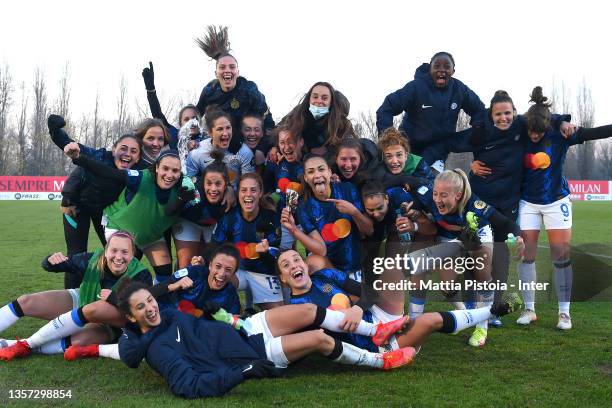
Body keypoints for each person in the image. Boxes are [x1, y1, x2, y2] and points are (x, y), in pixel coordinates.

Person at [113, 279, 414, 398]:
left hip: (247, 328)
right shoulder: (157, 350)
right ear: (131, 317)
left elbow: (199, 336)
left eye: (150, 301)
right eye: (141, 307)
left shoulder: (168, 314)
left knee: (308, 309)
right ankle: (380, 361)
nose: (150, 308)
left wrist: (213, 316)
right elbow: (188, 386)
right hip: (255, 354)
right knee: (320, 338)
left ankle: (377, 332)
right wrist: (242, 372)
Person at [277, 249, 522, 355]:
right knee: (432, 319)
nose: (294, 266)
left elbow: (369, 291)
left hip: (381, 316)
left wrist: (356, 308)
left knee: (393, 266)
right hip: (376, 344)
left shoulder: (325, 276)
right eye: (286, 265)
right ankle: (492, 311)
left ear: (305, 265)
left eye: (296, 259)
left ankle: (452, 249)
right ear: (283, 280)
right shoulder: (296, 311)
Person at [515, 86, 612, 330]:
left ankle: (564, 314)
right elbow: (502, 118)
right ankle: (529, 310)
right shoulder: (520, 129)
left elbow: (592, 133)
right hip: (527, 203)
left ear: (547, 127)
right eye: (531, 132)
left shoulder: (560, 135)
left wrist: (561, 121)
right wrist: (560, 118)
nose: (534, 136)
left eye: (539, 132)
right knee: (527, 256)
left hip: (557, 201)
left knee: (561, 256)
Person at [406, 169, 525, 347]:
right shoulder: (428, 195)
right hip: (449, 236)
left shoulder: (475, 204)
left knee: (482, 273)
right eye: (435, 193)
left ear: (458, 195)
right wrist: (414, 207)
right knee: (446, 286)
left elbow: (503, 222)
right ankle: (465, 316)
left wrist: (519, 236)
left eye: (444, 195)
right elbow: (411, 184)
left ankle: (481, 328)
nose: (437, 199)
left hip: (478, 234)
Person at [0, 231, 152, 361]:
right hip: (82, 299)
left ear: (132, 255)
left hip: (111, 323)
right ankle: (17, 344)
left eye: (125, 252)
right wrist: (51, 260)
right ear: (106, 251)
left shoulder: (141, 275)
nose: (118, 257)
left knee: (80, 336)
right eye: (114, 250)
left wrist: (114, 299)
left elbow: (142, 315)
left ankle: (18, 345)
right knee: (26, 301)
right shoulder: (92, 259)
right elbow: (52, 265)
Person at [66, 146, 199, 284]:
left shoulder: (184, 189)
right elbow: (109, 173)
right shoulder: (141, 177)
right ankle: (102, 295)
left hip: (149, 235)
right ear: (157, 168)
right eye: (165, 168)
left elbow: (171, 211)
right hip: (119, 227)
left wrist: (184, 199)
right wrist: (78, 158)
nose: (170, 175)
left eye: (175, 171)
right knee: (123, 267)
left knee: (165, 270)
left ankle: (157, 299)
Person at [47, 114, 143, 288]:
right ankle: (72, 299)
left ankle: (113, 292)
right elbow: (70, 147)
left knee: (119, 250)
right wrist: (54, 129)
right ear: (113, 149)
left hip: (104, 213)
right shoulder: (99, 156)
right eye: (123, 148)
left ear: (138, 157)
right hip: (77, 208)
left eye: (134, 151)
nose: (127, 154)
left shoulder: (139, 171)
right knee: (76, 254)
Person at [376, 51, 486, 170]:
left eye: (447, 67)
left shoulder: (459, 90)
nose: (441, 70)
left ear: (453, 71)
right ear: (430, 69)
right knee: (407, 182)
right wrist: (388, 138)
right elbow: (387, 107)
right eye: (437, 66)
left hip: (438, 149)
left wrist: (478, 128)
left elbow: (479, 109)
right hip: (411, 146)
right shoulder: (416, 87)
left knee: (430, 183)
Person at [282, 154, 373, 281]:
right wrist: (293, 229)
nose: (318, 175)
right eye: (311, 172)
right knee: (313, 261)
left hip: (358, 266)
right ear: (306, 178)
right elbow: (321, 250)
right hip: (332, 269)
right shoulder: (304, 207)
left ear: (330, 172)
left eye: (321, 169)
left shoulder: (348, 190)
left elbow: (369, 231)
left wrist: (353, 211)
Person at [194, 25, 274, 152]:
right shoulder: (210, 90)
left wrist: (265, 148)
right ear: (216, 73)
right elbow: (195, 118)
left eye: (232, 67)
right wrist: (194, 140)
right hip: (219, 145)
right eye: (222, 67)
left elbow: (267, 119)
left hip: (247, 146)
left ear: (237, 72)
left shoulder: (249, 89)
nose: (227, 70)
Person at [212, 173, 283, 310]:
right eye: (244, 190)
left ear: (261, 193)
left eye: (253, 190)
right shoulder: (230, 217)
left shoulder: (271, 218)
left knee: (278, 311)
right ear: (238, 193)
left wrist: (265, 253)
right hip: (237, 272)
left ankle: (253, 306)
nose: (248, 194)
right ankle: (235, 313)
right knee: (218, 279)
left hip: (263, 273)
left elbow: (274, 259)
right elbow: (215, 247)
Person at [173, 150, 233, 268]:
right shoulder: (193, 195)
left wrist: (231, 191)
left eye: (218, 184)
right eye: (209, 183)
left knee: (211, 263)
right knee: (187, 264)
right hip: (188, 221)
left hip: (211, 225)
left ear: (226, 185)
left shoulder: (230, 198)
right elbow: (171, 212)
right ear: (202, 183)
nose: (213, 189)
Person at [186, 106, 254, 189]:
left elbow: (249, 185)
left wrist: (231, 191)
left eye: (228, 128)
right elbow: (188, 181)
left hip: (233, 199)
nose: (225, 133)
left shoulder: (244, 152)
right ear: (210, 133)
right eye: (220, 129)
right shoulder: (196, 152)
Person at [141, 61, 203, 149]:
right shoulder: (175, 136)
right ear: (180, 123)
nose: (190, 122)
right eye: (186, 119)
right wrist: (150, 90)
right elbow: (157, 114)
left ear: (200, 121)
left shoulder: (208, 141)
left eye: (194, 118)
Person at [282, 82, 354, 157]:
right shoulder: (297, 114)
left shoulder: (342, 125)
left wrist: (327, 154)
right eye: (315, 97)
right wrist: (275, 148)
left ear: (331, 102)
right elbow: (279, 132)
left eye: (324, 98)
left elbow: (353, 148)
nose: (319, 101)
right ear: (309, 98)